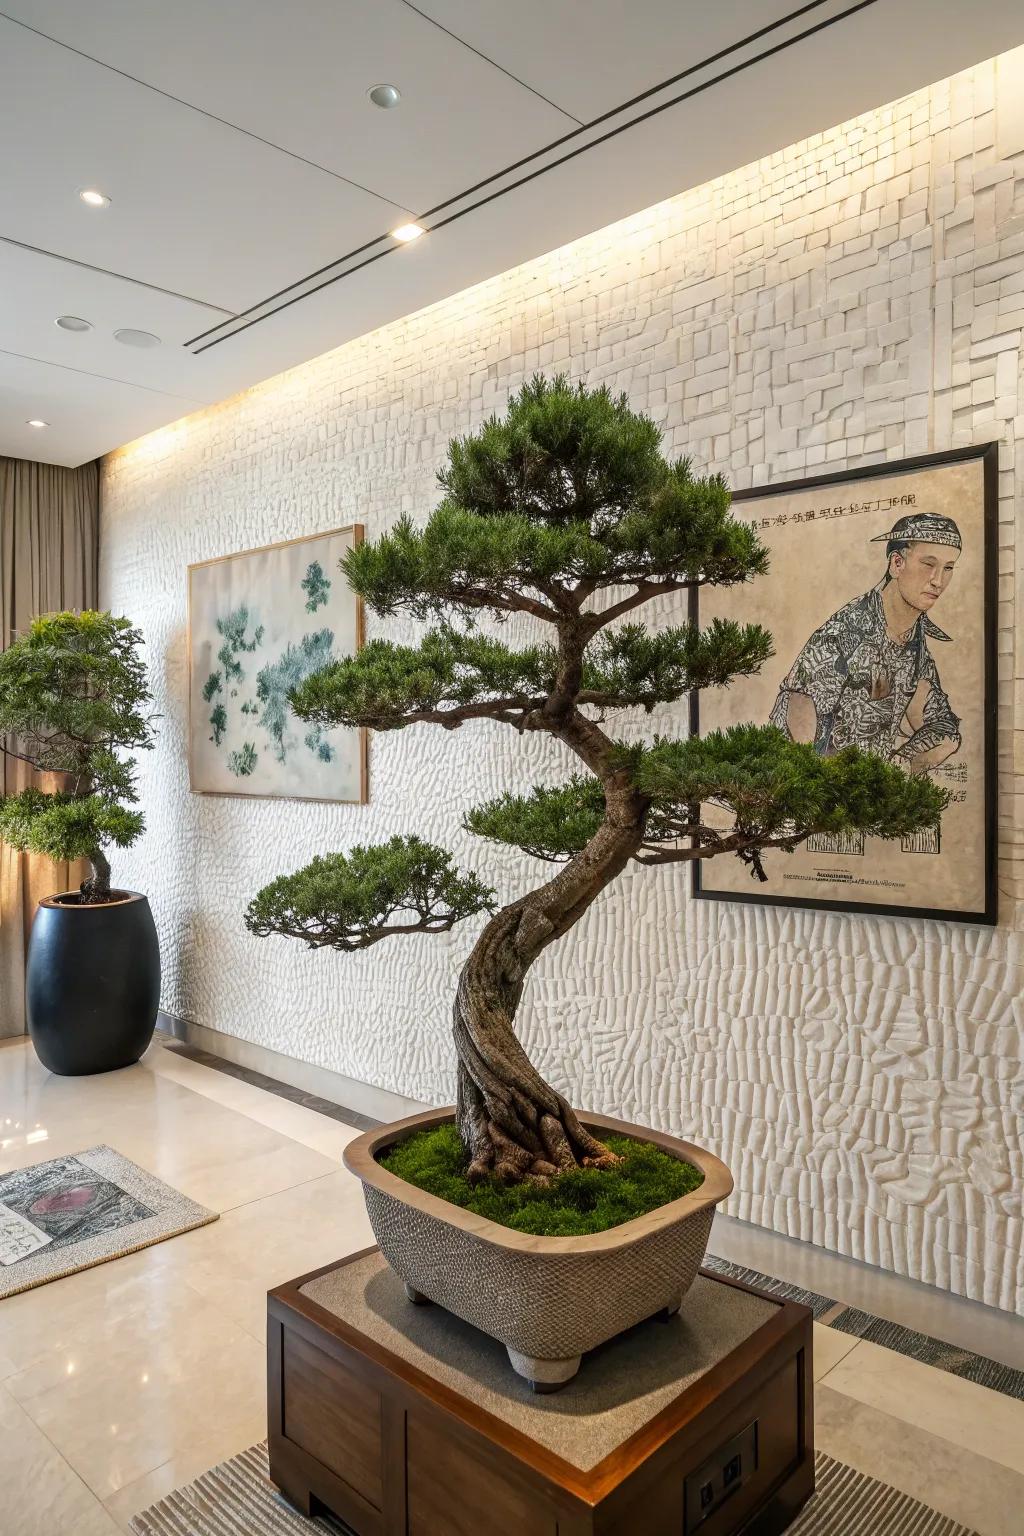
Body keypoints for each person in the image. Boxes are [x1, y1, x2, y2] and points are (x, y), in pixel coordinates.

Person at [770, 512, 962, 774]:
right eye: (928, 564)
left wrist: (897, 769)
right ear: (897, 564)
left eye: (948, 568)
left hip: (868, 791)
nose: (938, 581)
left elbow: (942, 727)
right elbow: (796, 717)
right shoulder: (843, 635)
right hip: (817, 786)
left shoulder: (914, 640)